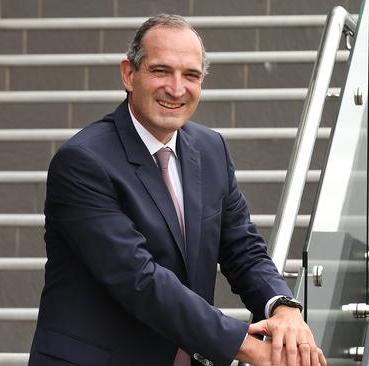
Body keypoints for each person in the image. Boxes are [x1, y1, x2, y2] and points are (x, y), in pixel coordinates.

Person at [28, 14, 326, 366]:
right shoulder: (83, 161)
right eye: (160, 71)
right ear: (128, 74)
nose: (176, 88)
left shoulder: (211, 148)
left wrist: (283, 308)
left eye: (191, 75)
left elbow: (243, 248)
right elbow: (137, 278)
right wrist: (245, 346)